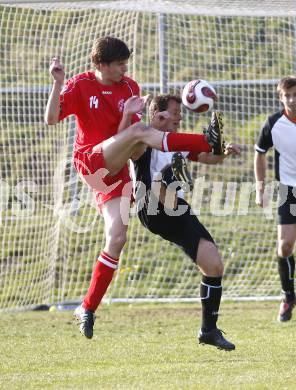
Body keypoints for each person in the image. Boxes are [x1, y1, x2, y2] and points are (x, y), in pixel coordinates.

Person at [45, 36, 225, 339]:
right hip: (92, 160)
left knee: (117, 236)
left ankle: (86, 308)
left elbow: (127, 141)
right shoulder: (79, 85)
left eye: (125, 63)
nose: (124, 69)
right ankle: (201, 141)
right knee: (142, 131)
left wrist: (130, 118)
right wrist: (58, 83)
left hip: (116, 171)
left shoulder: (129, 87)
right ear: (100, 64)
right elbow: (51, 119)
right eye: (118, 64)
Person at [132, 94, 241, 351]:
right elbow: (133, 148)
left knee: (213, 265)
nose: (180, 117)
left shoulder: (179, 142)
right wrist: (149, 123)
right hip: (150, 206)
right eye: (175, 113)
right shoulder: (141, 138)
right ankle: (170, 175)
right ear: (158, 114)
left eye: (181, 113)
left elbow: (208, 159)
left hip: (177, 209)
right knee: (159, 181)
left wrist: (222, 152)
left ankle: (208, 331)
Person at [255, 76, 296, 322]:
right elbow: (259, 154)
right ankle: (288, 296)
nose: (292, 99)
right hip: (287, 190)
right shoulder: (274, 123)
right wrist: (260, 189)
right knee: (285, 246)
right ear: (281, 98)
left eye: (295, 94)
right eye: (287, 95)